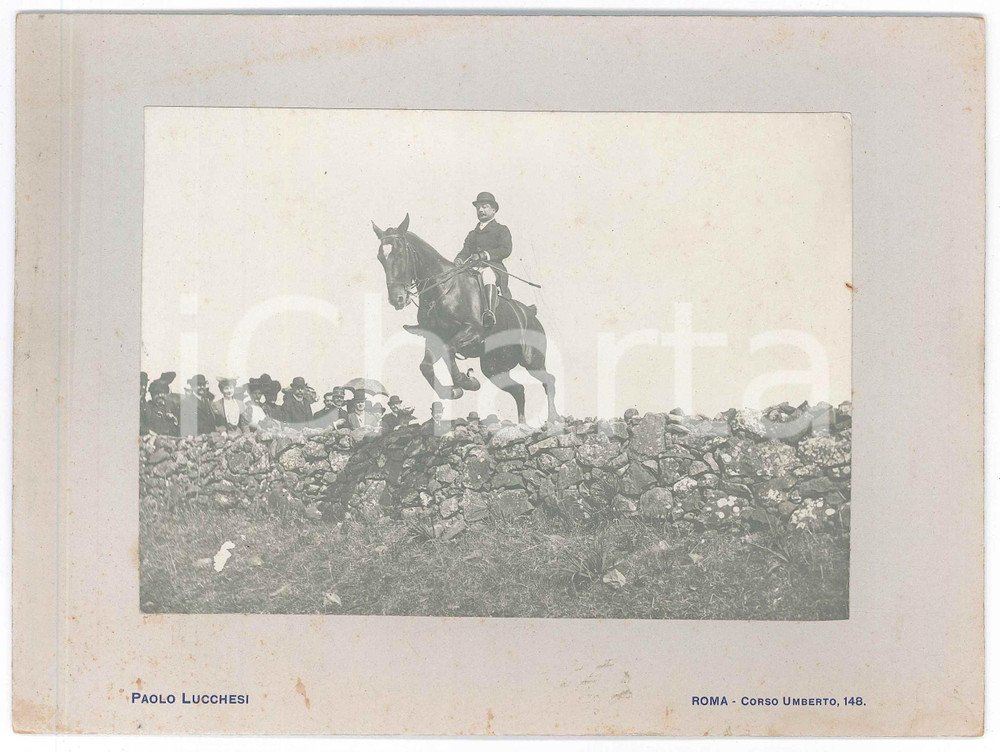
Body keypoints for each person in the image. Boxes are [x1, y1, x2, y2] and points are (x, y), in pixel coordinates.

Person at [455, 191, 513, 328]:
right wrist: (459, 259)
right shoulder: (472, 234)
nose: (480, 210)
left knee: (487, 275)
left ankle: (489, 312)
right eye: (478, 208)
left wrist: (485, 255)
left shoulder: (501, 229)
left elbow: (506, 249)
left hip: (493, 268)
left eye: (484, 207)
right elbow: (465, 251)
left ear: (493, 210)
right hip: (473, 268)